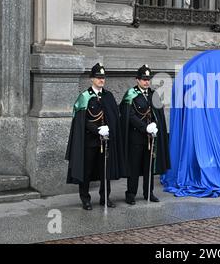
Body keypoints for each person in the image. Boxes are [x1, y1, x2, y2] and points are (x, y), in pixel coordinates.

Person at [65, 63, 127, 210]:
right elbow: (82, 121)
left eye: (103, 77)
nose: (101, 80)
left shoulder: (108, 96)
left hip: (106, 142)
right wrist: (97, 129)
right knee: (86, 171)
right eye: (98, 77)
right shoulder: (85, 97)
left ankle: (105, 197)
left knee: (105, 170)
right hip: (90, 141)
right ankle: (85, 198)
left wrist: (109, 130)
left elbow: (114, 118)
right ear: (91, 79)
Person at [120, 65, 170, 205]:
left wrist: (155, 126)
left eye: (148, 79)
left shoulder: (154, 95)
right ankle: (131, 194)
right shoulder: (131, 94)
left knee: (149, 167)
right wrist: (145, 127)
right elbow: (129, 115)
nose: (146, 82)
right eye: (143, 79)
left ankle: (149, 192)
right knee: (134, 167)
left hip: (150, 139)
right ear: (137, 80)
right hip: (136, 137)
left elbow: (158, 115)